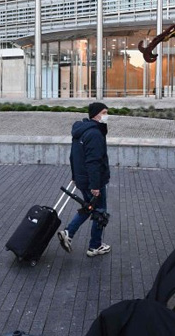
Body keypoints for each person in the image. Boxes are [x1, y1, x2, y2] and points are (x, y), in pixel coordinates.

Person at [58, 102, 112, 257]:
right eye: (104, 112)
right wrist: (95, 185)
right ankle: (95, 246)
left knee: (89, 208)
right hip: (93, 181)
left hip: (83, 179)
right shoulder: (94, 134)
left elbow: (74, 156)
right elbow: (93, 161)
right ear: (96, 114)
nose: (106, 115)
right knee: (99, 212)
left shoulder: (81, 131)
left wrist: (75, 177)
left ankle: (68, 232)